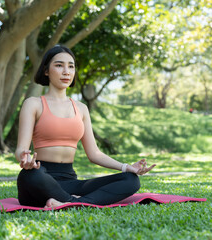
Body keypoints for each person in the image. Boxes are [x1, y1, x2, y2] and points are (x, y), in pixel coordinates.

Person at [15, 45, 155, 208]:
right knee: (30, 175)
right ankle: (74, 202)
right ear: (46, 71)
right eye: (59, 65)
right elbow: (20, 149)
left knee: (130, 180)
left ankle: (65, 202)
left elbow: (94, 153)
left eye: (71, 66)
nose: (66, 71)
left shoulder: (81, 108)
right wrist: (25, 159)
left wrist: (127, 167)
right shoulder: (33, 104)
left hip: (70, 182)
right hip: (40, 177)